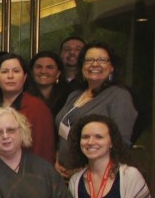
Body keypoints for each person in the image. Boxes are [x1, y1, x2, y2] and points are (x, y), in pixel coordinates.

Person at [55, 42, 137, 175]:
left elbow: (121, 143)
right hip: (64, 175)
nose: (94, 64)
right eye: (88, 60)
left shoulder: (119, 96)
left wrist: (87, 171)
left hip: (95, 177)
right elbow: (62, 133)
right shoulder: (74, 95)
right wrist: (58, 159)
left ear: (111, 67)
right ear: (82, 67)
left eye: (102, 60)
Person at [0, 54, 55, 163]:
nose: (10, 76)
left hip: (28, 172)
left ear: (25, 77)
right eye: (5, 72)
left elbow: (43, 151)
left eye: (16, 71)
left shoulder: (37, 108)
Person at [28, 50, 71, 117]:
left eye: (49, 67)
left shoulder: (68, 98)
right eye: (39, 67)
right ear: (32, 71)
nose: (43, 71)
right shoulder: (22, 96)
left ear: (58, 73)